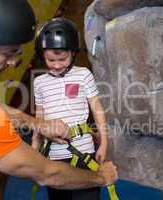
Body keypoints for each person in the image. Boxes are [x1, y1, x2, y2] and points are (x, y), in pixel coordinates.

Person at [0, 0, 118, 199]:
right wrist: (101, 177)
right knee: (5, 164)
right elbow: (47, 173)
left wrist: (37, 124)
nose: (12, 62)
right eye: (9, 53)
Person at [32, 18, 109, 200]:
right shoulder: (39, 82)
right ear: (42, 55)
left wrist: (104, 143)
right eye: (51, 59)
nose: (57, 65)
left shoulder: (83, 75)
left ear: (73, 53)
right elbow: (39, 116)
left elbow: (97, 109)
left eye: (62, 59)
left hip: (83, 151)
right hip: (53, 154)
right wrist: (35, 145)